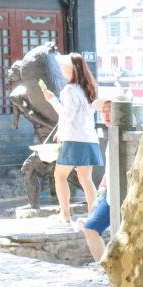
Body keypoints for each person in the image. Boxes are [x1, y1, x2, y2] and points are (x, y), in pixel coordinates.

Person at [42, 53, 102, 224]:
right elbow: (79, 117)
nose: (61, 69)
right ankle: (93, 216)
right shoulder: (88, 88)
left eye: (63, 66)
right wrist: (61, 130)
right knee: (86, 180)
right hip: (89, 139)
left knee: (60, 176)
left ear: (71, 69)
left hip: (74, 140)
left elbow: (68, 115)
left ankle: (65, 215)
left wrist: (52, 100)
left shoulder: (69, 90)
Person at [79, 93, 115, 262]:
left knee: (91, 228)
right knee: (90, 228)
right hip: (110, 195)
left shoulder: (127, 134)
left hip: (122, 196)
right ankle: (104, 267)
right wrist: (101, 190)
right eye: (103, 111)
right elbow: (110, 169)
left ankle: (106, 268)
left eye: (110, 110)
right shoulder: (112, 135)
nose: (106, 115)